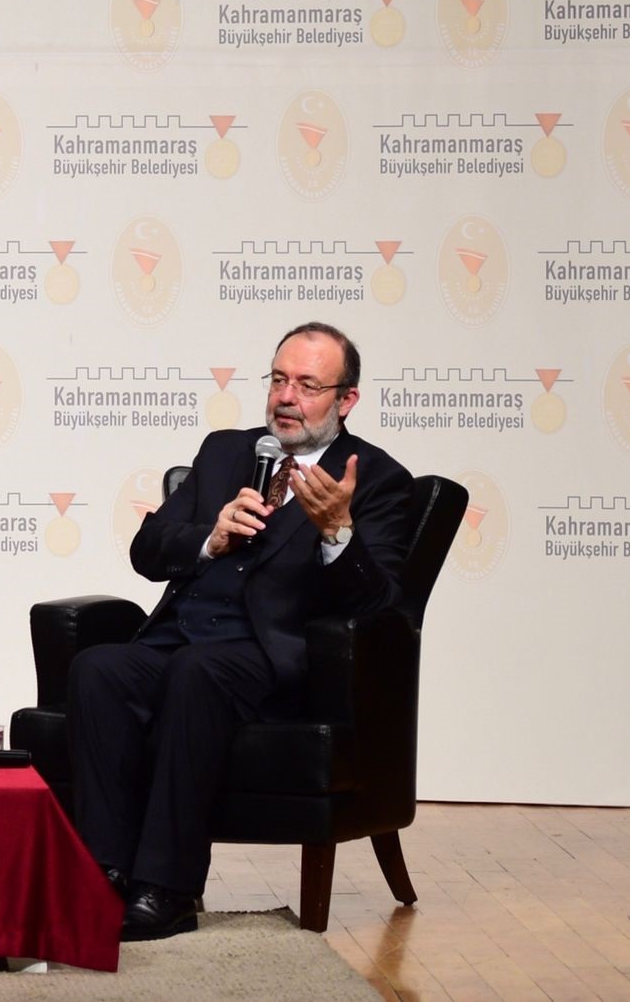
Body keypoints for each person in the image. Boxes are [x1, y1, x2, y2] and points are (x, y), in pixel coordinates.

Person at [66, 323, 412, 941]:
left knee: (196, 673)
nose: (287, 397)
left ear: (346, 400)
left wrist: (338, 532)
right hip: (180, 639)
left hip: (270, 657)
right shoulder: (225, 452)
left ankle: (167, 889)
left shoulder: (376, 479)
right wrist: (209, 536)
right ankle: (102, 874)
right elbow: (148, 549)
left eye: (308, 386)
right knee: (98, 668)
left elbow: (381, 607)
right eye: (279, 380)